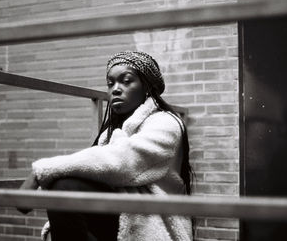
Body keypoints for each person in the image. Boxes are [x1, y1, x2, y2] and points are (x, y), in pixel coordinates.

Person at [18, 51, 194, 241]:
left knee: (65, 186)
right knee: (65, 186)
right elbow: (93, 168)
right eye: (111, 84)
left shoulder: (166, 123)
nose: (115, 89)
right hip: (128, 214)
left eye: (126, 81)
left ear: (147, 87)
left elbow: (124, 161)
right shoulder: (111, 133)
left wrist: (41, 171)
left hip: (154, 221)